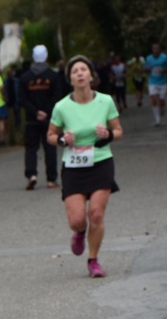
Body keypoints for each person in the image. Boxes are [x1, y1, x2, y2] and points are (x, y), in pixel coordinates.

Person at [47, 54, 122, 278]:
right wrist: (63, 140)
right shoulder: (62, 107)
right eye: (75, 71)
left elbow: (118, 131)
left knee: (96, 214)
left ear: (91, 75)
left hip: (101, 161)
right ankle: (79, 232)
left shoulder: (105, 101)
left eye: (83, 70)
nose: (79, 74)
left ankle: (93, 260)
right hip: (73, 165)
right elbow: (51, 135)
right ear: (70, 79)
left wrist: (108, 134)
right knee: (78, 219)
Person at [20, 44, 60, 189]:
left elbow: (23, 99)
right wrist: (46, 112)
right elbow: (56, 97)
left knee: (31, 148)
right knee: (50, 148)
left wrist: (35, 112)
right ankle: (51, 179)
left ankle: (31, 174)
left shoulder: (25, 78)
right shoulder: (53, 76)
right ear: (46, 56)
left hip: (31, 119)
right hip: (49, 119)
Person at [143, 43, 167, 126]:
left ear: (160, 49)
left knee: (161, 101)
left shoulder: (164, 57)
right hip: (152, 82)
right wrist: (146, 69)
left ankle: (162, 106)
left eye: (157, 48)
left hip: (162, 82)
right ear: (152, 50)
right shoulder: (149, 58)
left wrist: (164, 70)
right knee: (153, 100)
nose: (156, 50)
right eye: (154, 48)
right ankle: (157, 120)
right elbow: (145, 68)